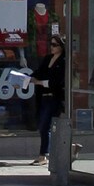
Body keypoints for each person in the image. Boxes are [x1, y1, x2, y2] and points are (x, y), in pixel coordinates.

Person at [32, 31, 66, 168]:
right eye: (50, 44)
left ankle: (44, 154)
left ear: (62, 47)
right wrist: (27, 80)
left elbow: (57, 82)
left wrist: (40, 82)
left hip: (55, 98)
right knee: (43, 125)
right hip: (43, 97)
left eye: (55, 45)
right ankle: (47, 153)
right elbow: (38, 73)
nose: (52, 47)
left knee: (45, 126)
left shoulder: (63, 61)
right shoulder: (47, 59)